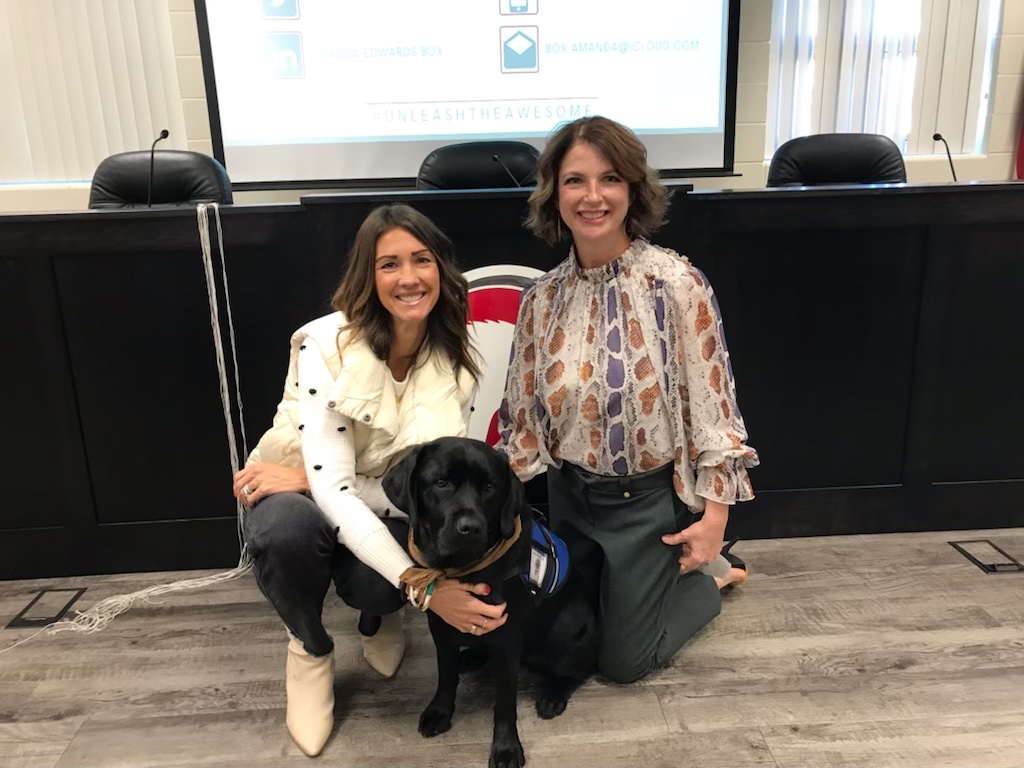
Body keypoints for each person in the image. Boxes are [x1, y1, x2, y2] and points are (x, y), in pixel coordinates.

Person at [233, 204, 508, 757]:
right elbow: (331, 489)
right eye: (389, 264)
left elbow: (427, 487)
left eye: (421, 260)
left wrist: (308, 480)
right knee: (286, 531)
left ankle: (378, 613)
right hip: (287, 491)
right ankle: (309, 648)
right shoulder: (323, 344)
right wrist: (427, 589)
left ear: (441, 270)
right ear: (367, 275)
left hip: (341, 489)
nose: (408, 277)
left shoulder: (457, 356)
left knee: (389, 575)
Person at [496, 116, 759, 685]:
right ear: (554, 193)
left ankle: (711, 577)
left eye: (609, 179)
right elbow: (521, 418)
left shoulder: (676, 285)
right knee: (566, 639)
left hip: (643, 507)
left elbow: (715, 409)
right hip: (568, 501)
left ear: (633, 189)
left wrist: (715, 517)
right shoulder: (541, 299)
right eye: (575, 181)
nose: (592, 196)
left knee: (620, 665)